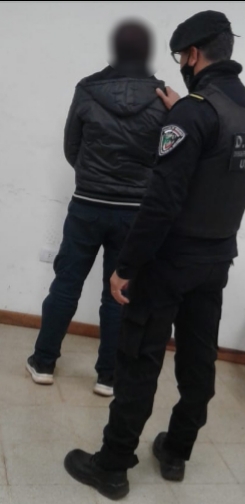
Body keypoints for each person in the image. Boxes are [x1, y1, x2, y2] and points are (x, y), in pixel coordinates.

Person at [63, 10, 245, 500]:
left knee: (138, 361)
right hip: (216, 261)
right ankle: (176, 451)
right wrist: (184, 115)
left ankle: (112, 465)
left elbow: (161, 202)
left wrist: (126, 266)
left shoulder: (194, 113)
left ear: (192, 55)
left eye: (181, 56)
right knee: (199, 360)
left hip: (169, 262)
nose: (180, 63)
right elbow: (216, 169)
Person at [26, 21, 167, 397]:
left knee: (66, 284)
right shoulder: (163, 95)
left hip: (88, 205)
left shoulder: (87, 89)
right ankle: (108, 376)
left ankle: (43, 363)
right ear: (147, 52)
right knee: (118, 293)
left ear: (114, 50)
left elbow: (72, 146)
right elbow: (166, 156)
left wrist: (92, 179)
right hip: (134, 212)